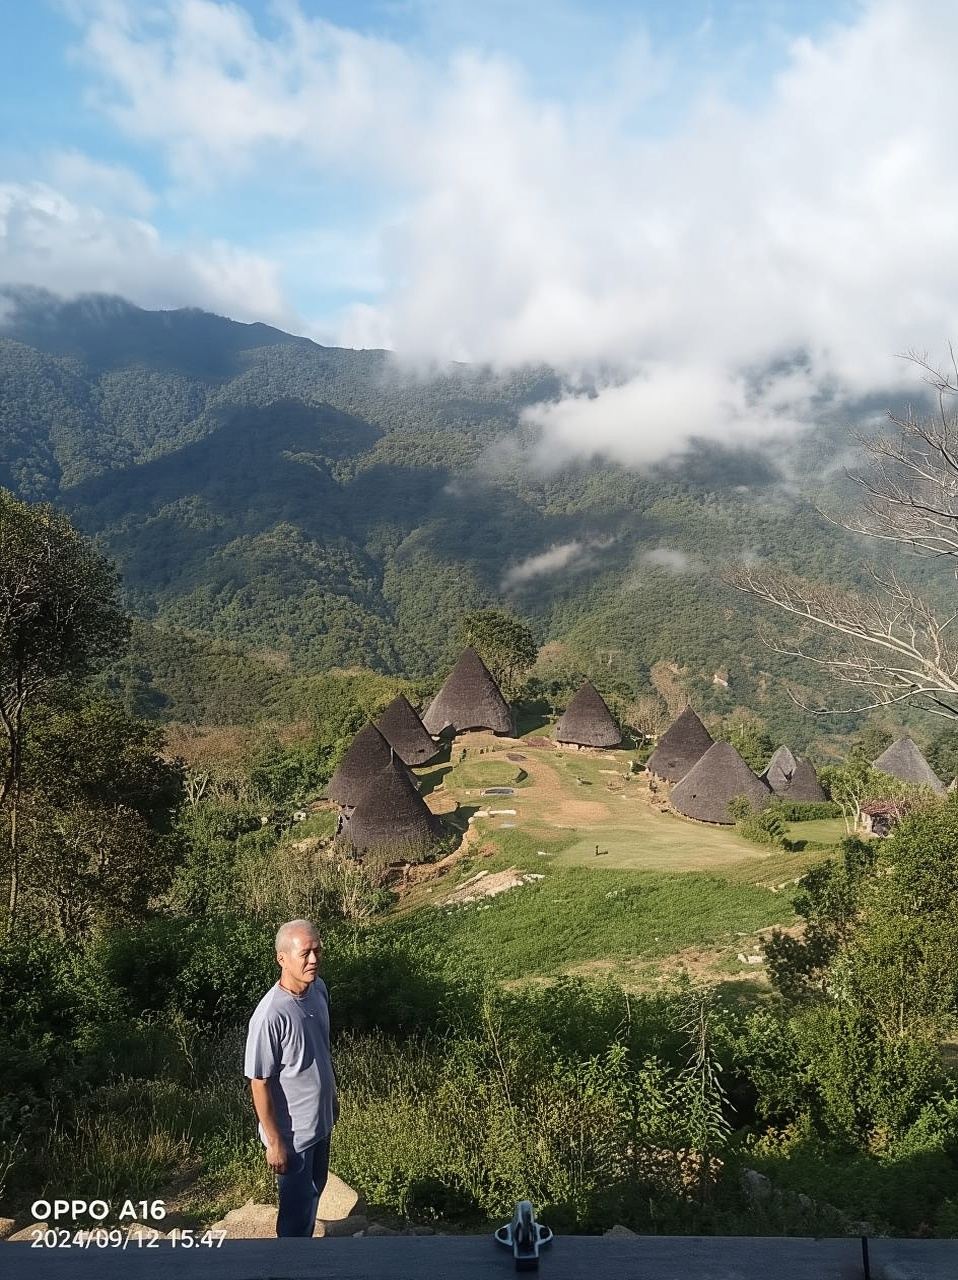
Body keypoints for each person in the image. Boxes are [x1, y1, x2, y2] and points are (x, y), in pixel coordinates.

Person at [244, 919, 339, 1237]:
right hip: (294, 1138)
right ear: (282, 958)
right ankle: (289, 1268)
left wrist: (332, 1103)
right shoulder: (271, 1015)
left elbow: (319, 1051)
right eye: (305, 953)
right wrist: (275, 1144)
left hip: (321, 1126)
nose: (313, 959)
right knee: (295, 1222)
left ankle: (306, 1262)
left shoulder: (318, 990)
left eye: (317, 950)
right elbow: (259, 1082)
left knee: (313, 1199)